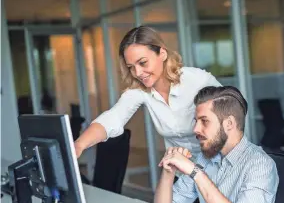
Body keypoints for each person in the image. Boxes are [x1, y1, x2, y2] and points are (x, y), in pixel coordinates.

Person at [74, 26, 221, 158]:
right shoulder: (139, 90)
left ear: (162, 54)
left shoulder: (197, 80)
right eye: (131, 67)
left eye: (143, 63)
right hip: (183, 172)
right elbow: (113, 118)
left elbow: (233, 113)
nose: (137, 72)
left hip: (219, 165)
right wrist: (79, 145)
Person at [154, 86, 279, 203]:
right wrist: (169, 171)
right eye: (196, 121)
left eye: (204, 121)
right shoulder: (204, 158)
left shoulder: (260, 165)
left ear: (229, 124)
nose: (196, 129)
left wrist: (195, 172)